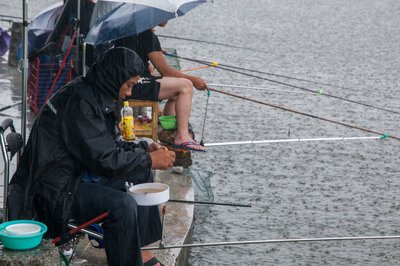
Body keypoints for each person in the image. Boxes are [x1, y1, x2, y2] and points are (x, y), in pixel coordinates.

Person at [8, 47, 175, 266]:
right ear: (115, 78)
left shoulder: (96, 94)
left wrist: (143, 150)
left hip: (74, 175)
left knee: (139, 170)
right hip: (53, 192)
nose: (129, 93)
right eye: (129, 85)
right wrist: (150, 159)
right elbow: (105, 161)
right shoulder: (80, 103)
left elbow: (108, 145)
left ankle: (139, 252)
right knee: (122, 205)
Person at [114, 22, 207, 152]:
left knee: (175, 93)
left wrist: (154, 51)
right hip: (135, 85)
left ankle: (168, 133)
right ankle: (182, 136)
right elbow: (165, 71)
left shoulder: (126, 29)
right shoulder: (147, 35)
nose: (168, 19)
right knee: (185, 86)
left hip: (122, 83)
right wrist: (194, 80)